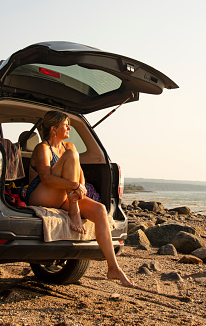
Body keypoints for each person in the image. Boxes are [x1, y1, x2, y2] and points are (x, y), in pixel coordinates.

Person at [26, 110, 134, 288]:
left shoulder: (69, 147)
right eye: (65, 125)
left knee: (99, 210)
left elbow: (79, 175)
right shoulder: (42, 148)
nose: (69, 127)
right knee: (71, 155)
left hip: (63, 196)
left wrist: (79, 188)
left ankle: (113, 267)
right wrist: (75, 187)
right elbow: (46, 178)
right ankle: (74, 211)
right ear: (54, 129)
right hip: (41, 194)